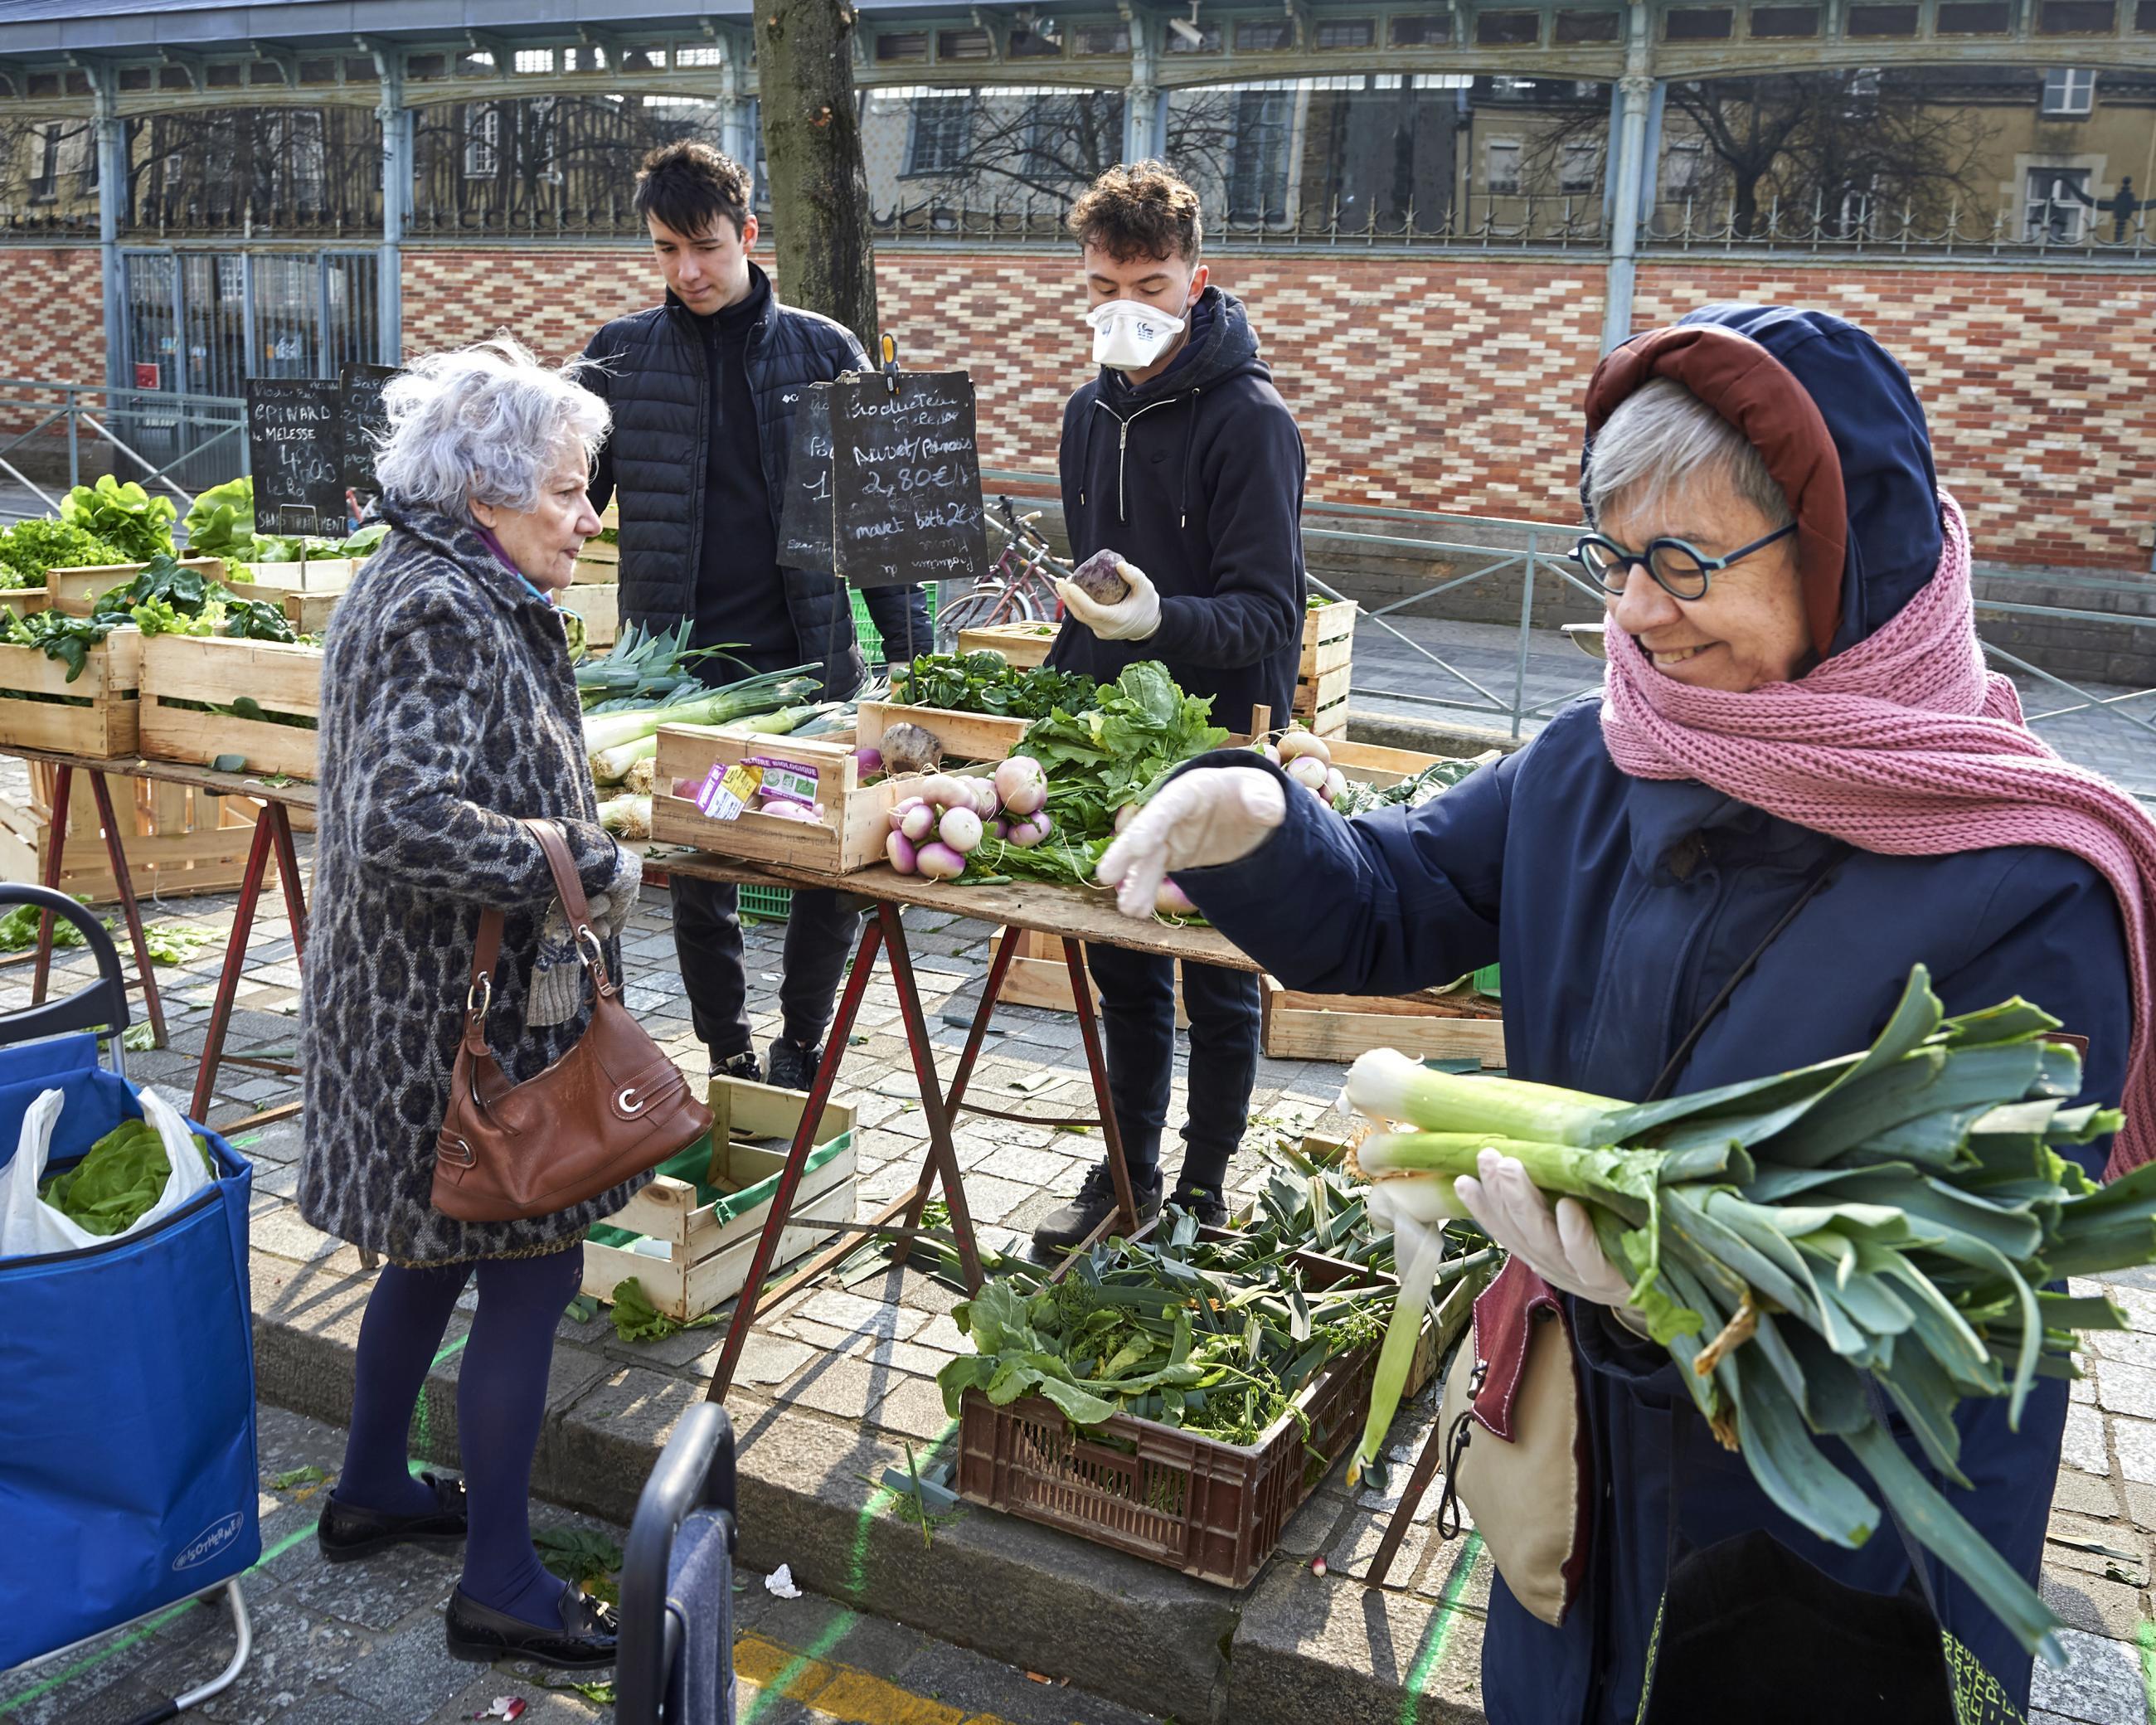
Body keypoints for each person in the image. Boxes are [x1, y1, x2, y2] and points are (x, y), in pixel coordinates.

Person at [1101, 304, 2156, 1722]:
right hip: (1586, 1474)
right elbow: (1394, 896)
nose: (1636, 611)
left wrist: (1688, 1282)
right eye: (1612, 557)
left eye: (1685, 561)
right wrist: (1255, 819)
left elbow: (1970, 1295)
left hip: (1838, 1542)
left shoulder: (2022, 882)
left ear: (1845, 562)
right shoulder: (1599, 757)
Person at [299, 338, 640, 1670]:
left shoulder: (447, 579)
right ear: (489, 496)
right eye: (567, 491)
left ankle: (373, 1487)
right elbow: (400, 819)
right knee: (527, 1269)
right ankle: (499, 1580)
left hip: (429, 1009)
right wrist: (583, 861)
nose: (589, 515)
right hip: (453, 1025)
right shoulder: (441, 605)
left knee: (435, 1256)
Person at [580, 141, 932, 1093]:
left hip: (809, 668)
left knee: (826, 861)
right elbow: (562, 505)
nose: (685, 271)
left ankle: (804, 1035)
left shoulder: (825, 351)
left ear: (747, 234)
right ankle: (725, 1041)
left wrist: (917, 671)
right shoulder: (616, 358)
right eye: (664, 251)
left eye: (703, 247)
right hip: (679, 678)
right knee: (704, 865)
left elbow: (887, 530)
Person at [1029, 160, 1308, 1251]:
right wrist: (1056, 691)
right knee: (1124, 964)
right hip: (1111, 741)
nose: (1126, 310)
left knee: (1219, 977)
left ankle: (1204, 1185)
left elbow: (1269, 616)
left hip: (1219, 741)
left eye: (1150, 285)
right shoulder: (1083, 415)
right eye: (1105, 284)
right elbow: (1098, 583)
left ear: (1199, 280)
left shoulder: (1251, 420)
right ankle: (1128, 1164)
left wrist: (1158, 627)